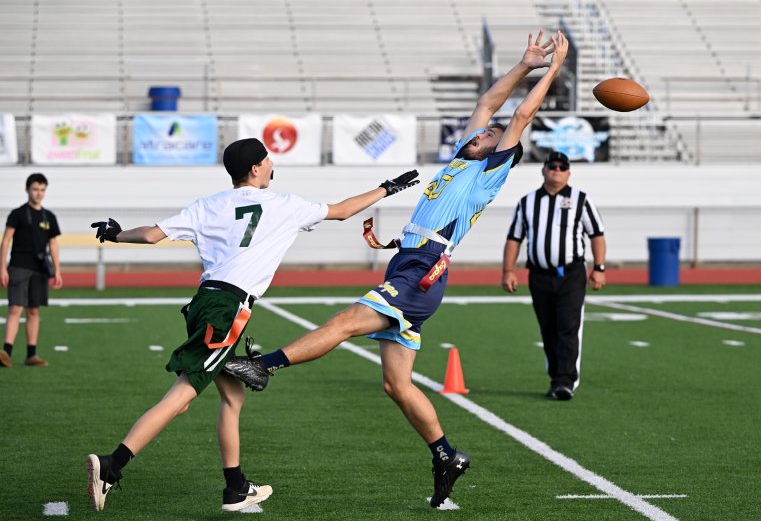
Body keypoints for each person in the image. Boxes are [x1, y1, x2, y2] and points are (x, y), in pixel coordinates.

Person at [224, 29, 569, 508]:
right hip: (408, 265)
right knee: (396, 384)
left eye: (489, 134)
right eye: (482, 130)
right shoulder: (463, 157)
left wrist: (552, 70)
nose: (482, 131)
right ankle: (446, 455)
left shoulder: (491, 169)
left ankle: (263, 366)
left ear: (498, 149)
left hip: (423, 270)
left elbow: (519, 114)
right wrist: (524, 63)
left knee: (346, 321)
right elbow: (491, 102)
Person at [84, 138, 419, 513]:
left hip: (203, 303)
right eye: (267, 159)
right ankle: (112, 466)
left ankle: (235, 488)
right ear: (256, 169)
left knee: (233, 395)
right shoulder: (284, 205)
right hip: (228, 309)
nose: (272, 162)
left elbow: (150, 235)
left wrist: (115, 233)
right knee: (181, 397)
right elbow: (341, 211)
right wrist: (387, 188)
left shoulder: (208, 203)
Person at [501, 151, 606, 401]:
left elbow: (597, 235)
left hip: (570, 274)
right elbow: (515, 238)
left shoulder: (581, 199)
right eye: (552, 166)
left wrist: (599, 268)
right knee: (548, 328)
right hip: (539, 274)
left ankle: (565, 381)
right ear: (544, 170)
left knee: (567, 327)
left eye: (562, 167)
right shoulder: (528, 202)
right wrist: (508, 270)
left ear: (568, 172)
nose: (556, 170)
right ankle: (555, 377)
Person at [0, 173, 63, 368]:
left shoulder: (49, 217)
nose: (39, 193)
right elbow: (6, 241)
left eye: (42, 190)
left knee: (33, 311)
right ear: (28, 189)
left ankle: (31, 354)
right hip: (18, 267)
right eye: (35, 189)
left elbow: (53, 245)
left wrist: (58, 271)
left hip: (40, 270)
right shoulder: (17, 214)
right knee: (15, 309)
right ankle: (6, 352)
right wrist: (2, 267)